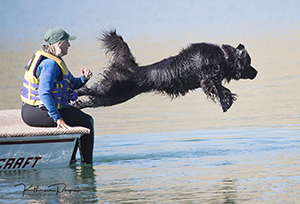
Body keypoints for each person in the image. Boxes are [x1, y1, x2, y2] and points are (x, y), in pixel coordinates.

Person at [20, 27, 94, 164]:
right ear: (60, 44)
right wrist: (58, 118)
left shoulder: (54, 60)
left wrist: (84, 79)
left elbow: (73, 83)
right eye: (67, 42)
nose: (69, 45)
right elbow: (44, 93)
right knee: (87, 121)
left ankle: (71, 159)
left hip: (33, 109)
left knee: (78, 116)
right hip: (37, 112)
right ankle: (87, 164)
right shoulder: (50, 64)